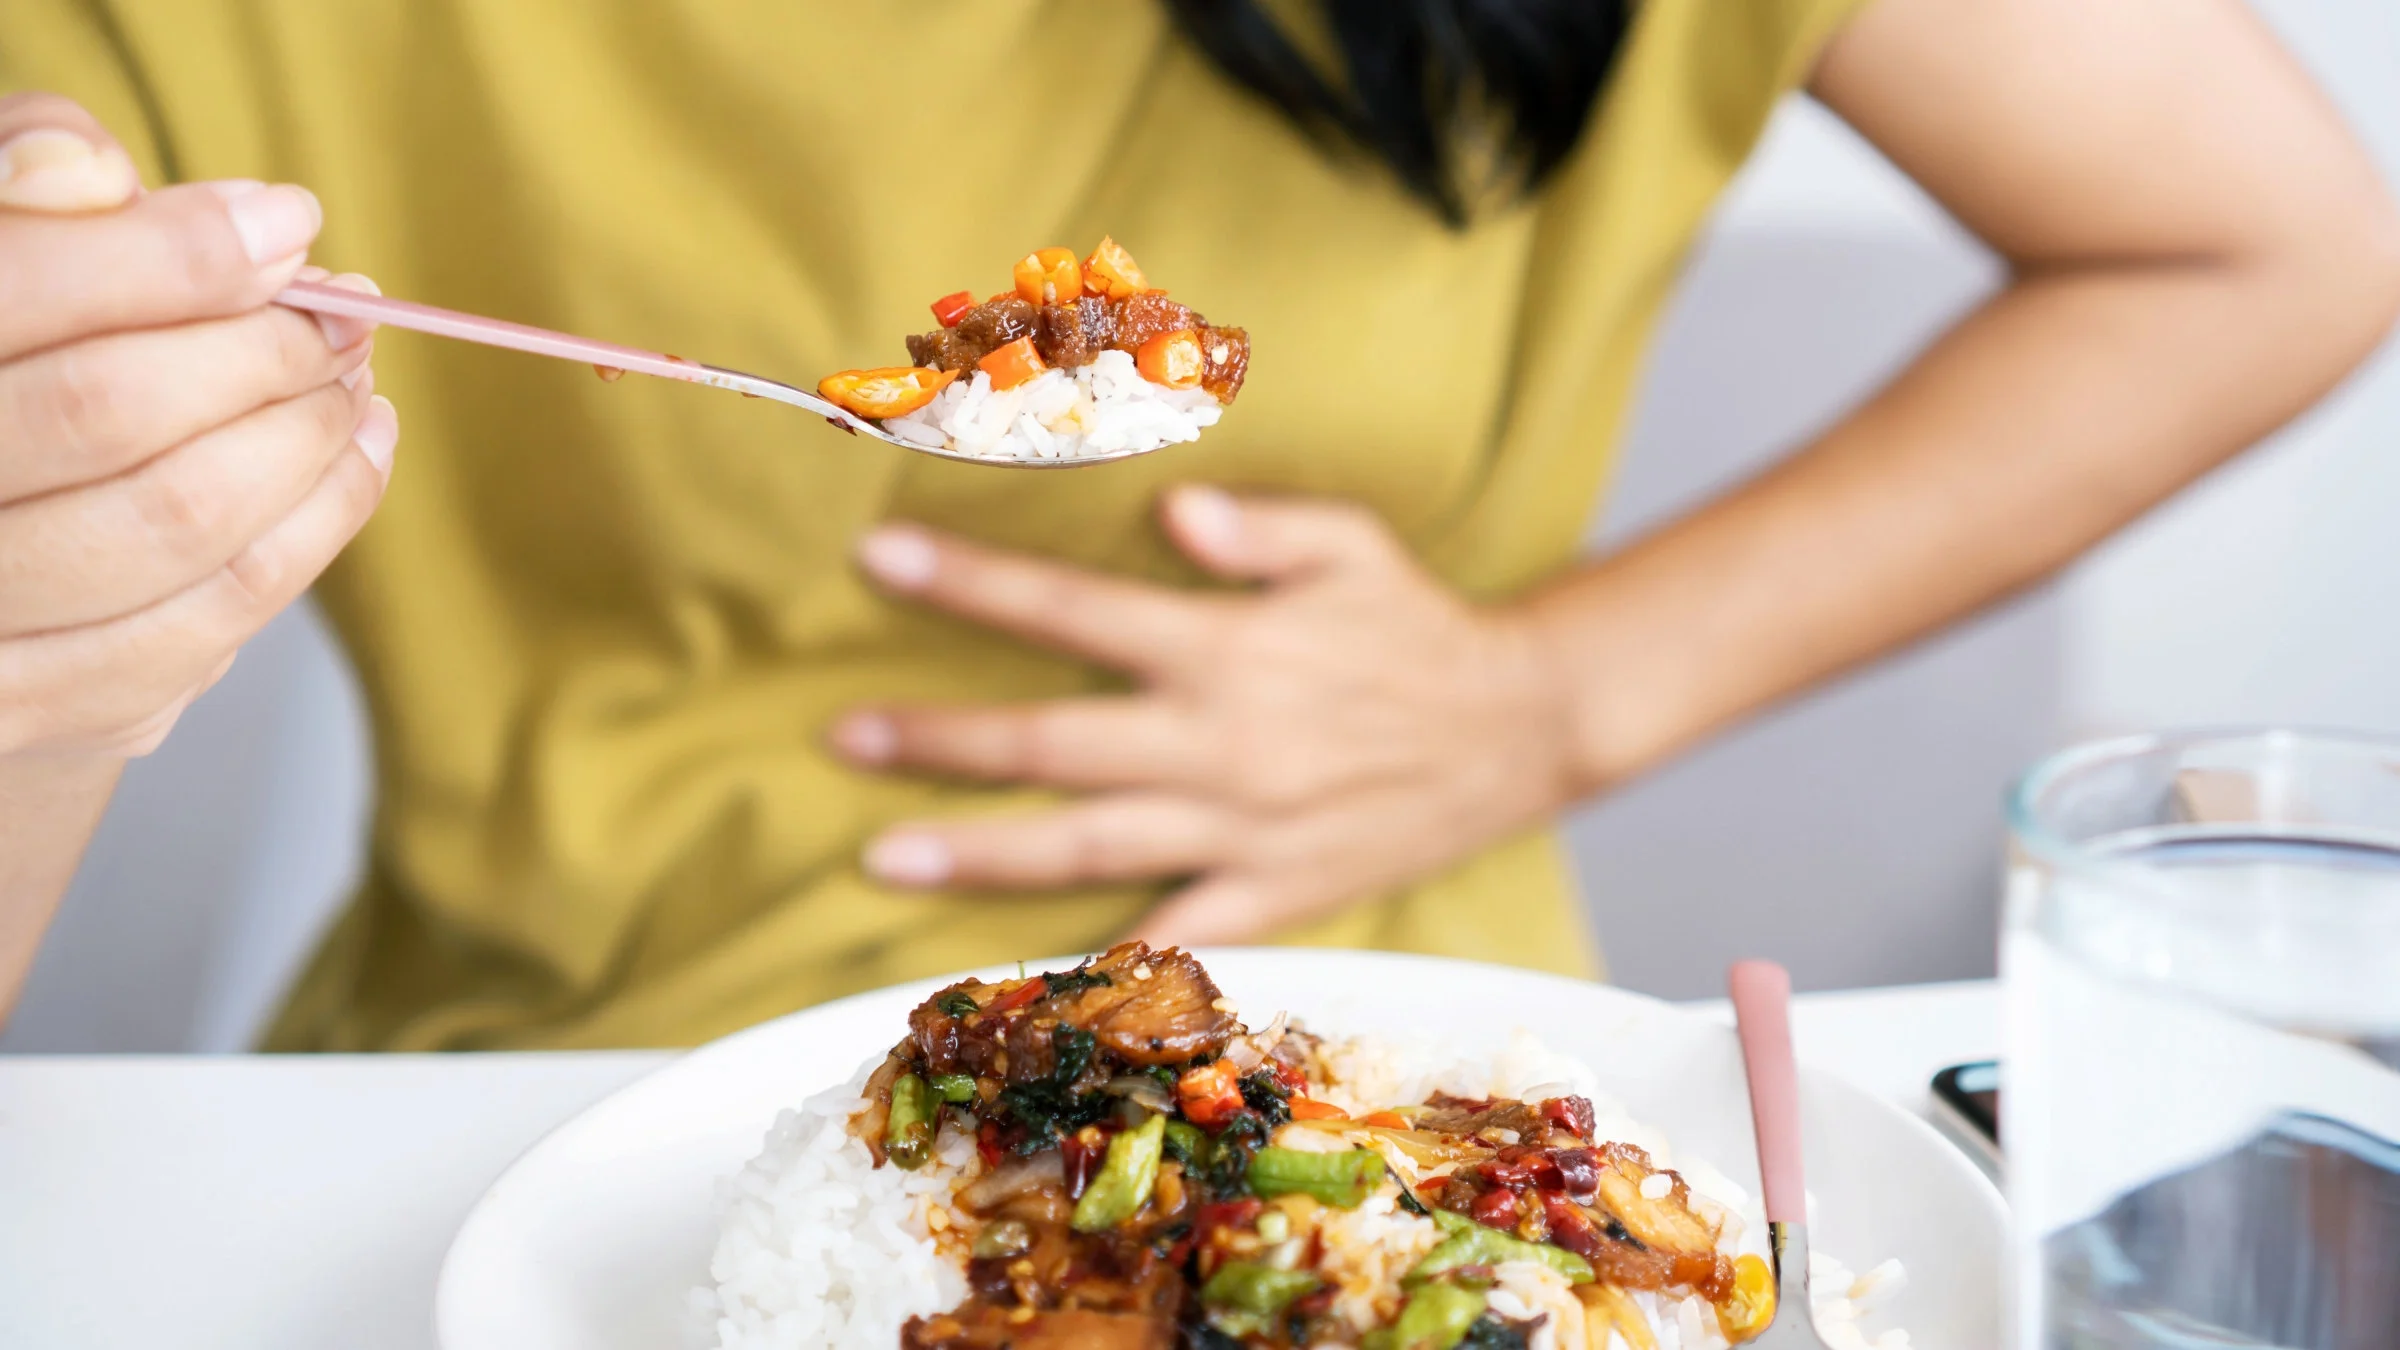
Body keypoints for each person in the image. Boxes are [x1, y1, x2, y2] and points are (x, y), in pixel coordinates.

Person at [1, 0, 2394, 1048]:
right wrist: (40, 651)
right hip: (536, 1084)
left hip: (1396, 1054)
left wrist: (1562, 692)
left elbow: (2272, 243)